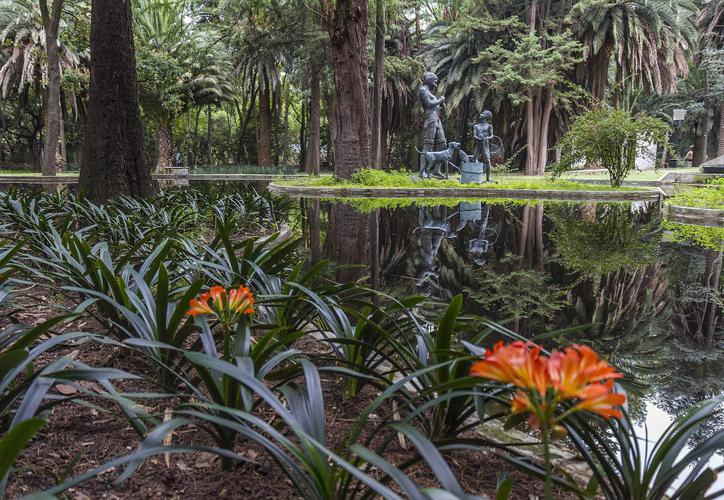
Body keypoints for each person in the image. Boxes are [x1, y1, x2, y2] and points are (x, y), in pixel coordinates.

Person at [419, 72, 447, 178]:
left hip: (437, 119)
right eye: (435, 81)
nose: (436, 83)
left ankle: (437, 170)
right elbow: (428, 104)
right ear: (429, 80)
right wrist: (439, 100)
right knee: (428, 145)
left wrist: (442, 104)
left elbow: (436, 107)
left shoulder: (432, 94)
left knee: (442, 144)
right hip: (430, 119)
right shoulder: (423, 90)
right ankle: (422, 171)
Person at [473, 111, 493, 182]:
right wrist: (479, 139)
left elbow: (491, 135)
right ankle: (473, 176)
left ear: (486, 117)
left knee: (487, 160)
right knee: (473, 159)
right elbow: (474, 135)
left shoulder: (489, 126)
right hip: (478, 144)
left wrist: (486, 138)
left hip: (485, 145)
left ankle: (488, 178)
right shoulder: (476, 126)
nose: (480, 115)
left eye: (483, 114)